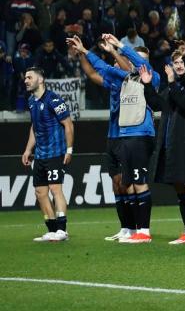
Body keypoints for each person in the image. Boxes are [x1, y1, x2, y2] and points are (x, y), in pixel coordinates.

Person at [71, 34, 160, 244]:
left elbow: (134, 66)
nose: (136, 63)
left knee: (136, 183)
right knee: (124, 183)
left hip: (139, 135)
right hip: (123, 135)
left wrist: (117, 48)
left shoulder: (151, 78)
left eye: (139, 60)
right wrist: (84, 51)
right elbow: (98, 68)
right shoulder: (123, 79)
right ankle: (130, 229)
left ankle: (142, 230)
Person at [142, 51, 185, 245]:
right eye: (175, 62)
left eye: (181, 62)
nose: (178, 65)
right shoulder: (174, 86)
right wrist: (147, 85)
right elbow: (156, 104)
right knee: (179, 186)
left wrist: (171, 83)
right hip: (172, 143)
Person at [73, 38, 136, 242]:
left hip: (126, 136)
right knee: (115, 183)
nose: (116, 65)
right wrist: (80, 54)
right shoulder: (113, 82)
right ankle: (125, 227)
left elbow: (113, 67)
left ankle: (136, 228)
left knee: (126, 183)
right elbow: (91, 74)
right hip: (112, 137)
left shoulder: (131, 80)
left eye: (119, 62)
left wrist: (109, 53)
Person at [21, 67, 73, 242]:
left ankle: (62, 230)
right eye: (25, 78)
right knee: (40, 192)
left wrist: (69, 149)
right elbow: (34, 127)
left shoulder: (54, 99)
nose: (26, 80)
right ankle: (51, 230)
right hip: (40, 154)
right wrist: (28, 150)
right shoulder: (31, 101)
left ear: (40, 79)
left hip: (55, 152)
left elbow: (68, 124)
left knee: (55, 189)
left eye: (30, 77)